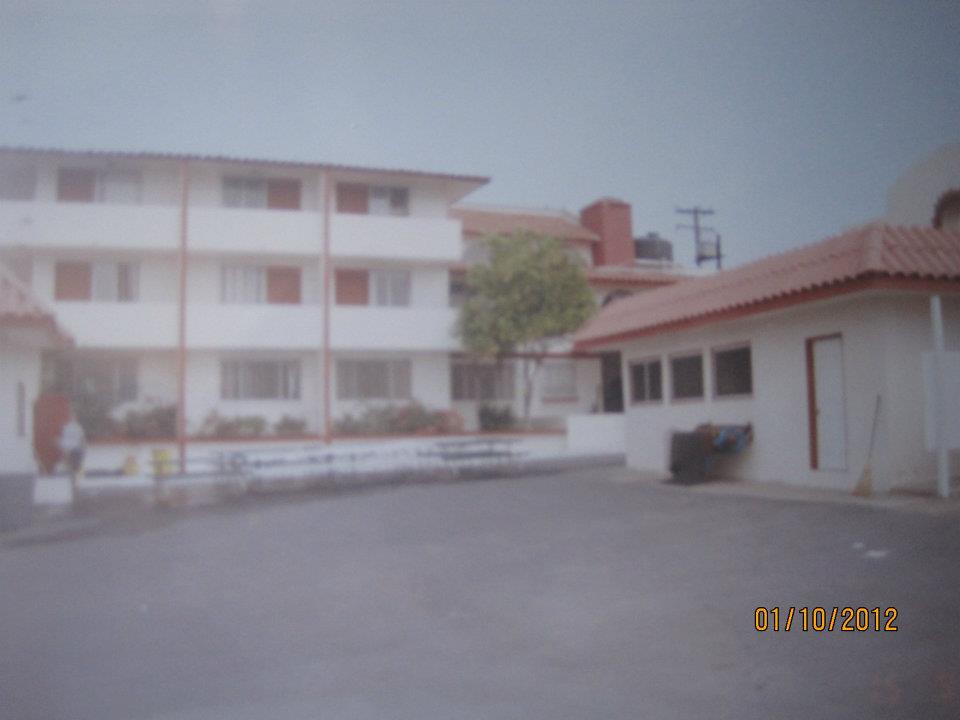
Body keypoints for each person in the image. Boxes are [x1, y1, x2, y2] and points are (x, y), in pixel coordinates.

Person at [59, 413, 86, 491]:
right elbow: (81, 438)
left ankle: (74, 482)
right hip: (73, 449)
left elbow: (81, 438)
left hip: (74, 449)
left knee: (74, 466)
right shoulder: (74, 427)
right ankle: (74, 482)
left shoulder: (73, 427)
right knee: (74, 466)